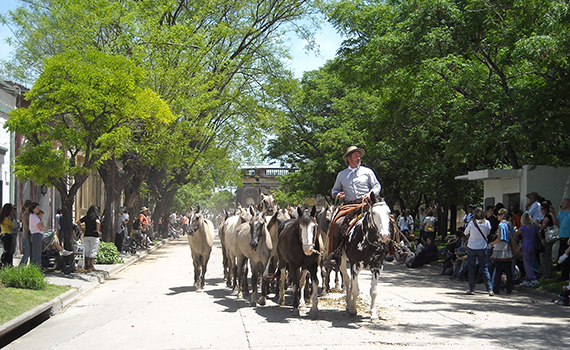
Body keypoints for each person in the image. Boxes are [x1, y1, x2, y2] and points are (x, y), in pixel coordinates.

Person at [327, 146, 383, 267]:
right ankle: (335, 254)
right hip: (350, 205)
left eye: (359, 156)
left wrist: (371, 194)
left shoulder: (368, 172)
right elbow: (334, 190)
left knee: (386, 218)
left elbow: (377, 186)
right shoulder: (341, 175)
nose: (359, 158)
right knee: (336, 222)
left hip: (367, 204)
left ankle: (395, 248)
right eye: (356, 156)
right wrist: (338, 195)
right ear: (349, 158)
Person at [464, 207, 493, 296]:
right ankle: (489, 289)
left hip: (472, 247)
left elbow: (465, 233)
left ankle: (472, 289)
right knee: (484, 267)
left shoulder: (472, 223)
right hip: (482, 247)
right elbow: (488, 232)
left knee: (471, 268)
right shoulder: (487, 223)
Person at [489, 208, 514, 295]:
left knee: (498, 270)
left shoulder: (501, 225)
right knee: (508, 270)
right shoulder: (508, 224)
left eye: (499, 214)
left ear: (503, 215)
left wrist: (491, 244)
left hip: (500, 249)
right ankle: (509, 288)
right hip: (507, 249)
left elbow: (499, 238)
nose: (498, 216)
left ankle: (496, 289)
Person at [516, 212, 539, 287]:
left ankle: (533, 279)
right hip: (533, 245)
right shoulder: (534, 226)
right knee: (531, 263)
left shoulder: (523, 228)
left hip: (526, 246)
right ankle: (527, 279)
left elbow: (516, 234)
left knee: (526, 264)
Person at [78, 205, 101, 271]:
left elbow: (78, 222)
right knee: (93, 250)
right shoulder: (95, 217)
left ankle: (86, 265)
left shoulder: (87, 217)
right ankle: (91, 266)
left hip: (86, 235)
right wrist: (97, 230)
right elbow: (98, 222)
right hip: (94, 235)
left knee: (87, 250)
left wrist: (82, 229)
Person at [537, 201, 555, 280]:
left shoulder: (547, 217)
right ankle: (548, 271)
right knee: (547, 255)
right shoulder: (546, 216)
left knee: (544, 256)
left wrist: (538, 223)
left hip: (547, 238)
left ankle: (546, 273)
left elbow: (543, 226)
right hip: (546, 238)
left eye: (542, 209)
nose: (541, 211)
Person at [554, 198, 570, 280]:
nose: (562, 204)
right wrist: (552, 213)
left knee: (567, 257)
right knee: (561, 255)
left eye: (563, 203)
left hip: (568, 238)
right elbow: (556, 222)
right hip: (562, 237)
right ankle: (562, 272)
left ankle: (566, 274)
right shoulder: (562, 213)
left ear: (568, 204)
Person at [19, 200, 32, 266]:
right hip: (26, 236)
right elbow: (26, 226)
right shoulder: (24, 215)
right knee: (26, 253)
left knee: (31, 253)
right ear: (26, 207)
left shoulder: (31, 215)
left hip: (30, 236)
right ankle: (21, 266)